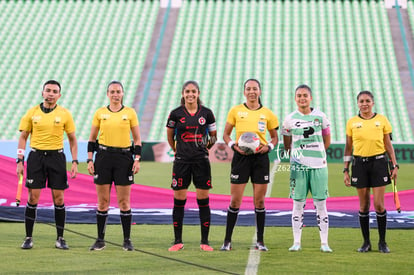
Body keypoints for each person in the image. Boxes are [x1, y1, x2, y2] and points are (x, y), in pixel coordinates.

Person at [16, 80, 78, 250]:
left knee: (59, 198)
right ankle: (28, 237)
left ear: (59, 95)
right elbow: (23, 137)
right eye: (48, 90)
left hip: (56, 158)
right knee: (32, 198)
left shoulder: (65, 114)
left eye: (54, 91)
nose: (51, 94)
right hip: (36, 157)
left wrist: (74, 161)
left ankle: (60, 238)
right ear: (42, 93)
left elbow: (72, 140)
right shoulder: (32, 112)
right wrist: (19, 160)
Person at [220, 79, 279, 252]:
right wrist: (234, 146)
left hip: (260, 158)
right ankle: (227, 241)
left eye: (255, 89)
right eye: (248, 89)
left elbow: (275, 137)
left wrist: (269, 147)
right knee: (235, 200)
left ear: (260, 91)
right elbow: (225, 134)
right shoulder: (236, 111)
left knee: (259, 201)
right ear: (244, 91)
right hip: (241, 158)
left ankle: (260, 241)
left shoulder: (268, 113)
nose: (252, 91)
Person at [87, 81, 142, 251]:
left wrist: (137, 158)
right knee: (102, 202)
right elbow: (92, 139)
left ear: (123, 93)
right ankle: (100, 240)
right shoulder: (100, 113)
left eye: (118, 91)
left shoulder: (130, 113)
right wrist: (90, 159)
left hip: (124, 158)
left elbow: (137, 139)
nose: (115, 94)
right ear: (107, 94)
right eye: (112, 91)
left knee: (124, 201)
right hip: (103, 157)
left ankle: (127, 240)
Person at [343, 91, 398, 253]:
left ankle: (382, 242)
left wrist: (394, 165)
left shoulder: (382, 120)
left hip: (379, 163)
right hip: (359, 164)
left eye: (367, 101)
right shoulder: (352, 122)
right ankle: (366, 243)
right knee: (364, 205)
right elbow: (348, 148)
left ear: (373, 103)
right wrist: (346, 169)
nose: (364, 104)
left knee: (379, 205)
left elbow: (388, 145)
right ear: (357, 103)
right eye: (361, 101)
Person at [166, 80, 217, 251]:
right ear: (183, 94)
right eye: (187, 91)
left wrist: (205, 148)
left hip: (201, 162)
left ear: (198, 93)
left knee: (203, 200)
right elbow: (170, 137)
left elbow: (213, 137)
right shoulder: (175, 114)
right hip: (181, 162)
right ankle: (177, 241)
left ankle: (205, 242)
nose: (190, 94)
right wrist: (178, 150)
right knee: (179, 201)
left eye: (193, 91)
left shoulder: (207, 113)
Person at [282, 84, 332, 253]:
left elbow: (327, 140)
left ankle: (324, 243)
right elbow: (287, 143)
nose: (302, 98)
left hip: (319, 166)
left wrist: (317, 154)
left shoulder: (321, 116)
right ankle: (296, 242)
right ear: (295, 98)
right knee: (298, 204)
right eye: (299, 95)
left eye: (305, 95)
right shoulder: (289, 119)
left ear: (310, 98)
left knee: (321, 204)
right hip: (298, 168)